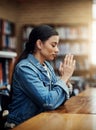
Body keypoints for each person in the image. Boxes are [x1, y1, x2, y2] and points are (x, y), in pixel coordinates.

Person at [5, 24, 76, 128]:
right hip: (21, 125)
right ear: (39, 44)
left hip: (41, 121)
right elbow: (49, 102)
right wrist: (64, 78)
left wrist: (65, 80)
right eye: (53, 45)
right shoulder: (24, 68)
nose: (57, 50)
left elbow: (56, 98)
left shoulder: (47, 65)